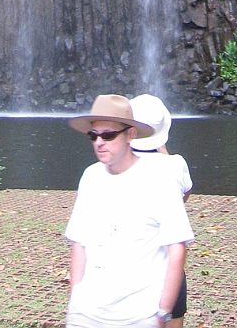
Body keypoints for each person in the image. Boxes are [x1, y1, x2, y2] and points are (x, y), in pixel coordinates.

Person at [64, 94, 194, 328]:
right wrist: (75, 303)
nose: (99, 142)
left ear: (130, 135)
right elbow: (79, 243)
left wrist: (162, 313)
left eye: (109, 135)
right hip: (86, 314)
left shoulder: (160, 179)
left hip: (139, 316)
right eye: (93, 136)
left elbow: (177, 248)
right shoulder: (90, 176)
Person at [130, 95, 192, 328]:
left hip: (133, 266)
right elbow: (183, 197)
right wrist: (161, 147)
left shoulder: (113, 168)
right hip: (169, 268)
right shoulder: (175, 164)